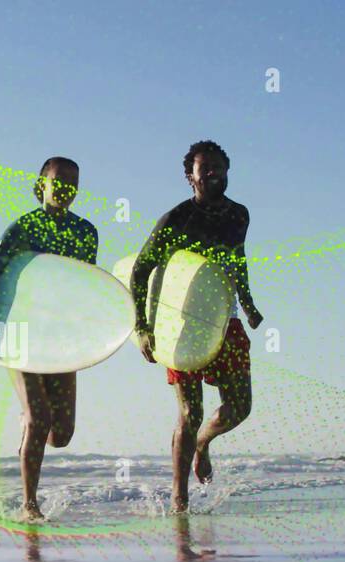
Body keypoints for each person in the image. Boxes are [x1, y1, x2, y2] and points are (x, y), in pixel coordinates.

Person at [129, 140, 264, 511]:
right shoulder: (176, 219)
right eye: (204, 168)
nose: (213, 173)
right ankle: (179, 496)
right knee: (190, 413)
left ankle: (203, 444)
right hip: (182, 322)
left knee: (240, 406)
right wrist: (142, 326)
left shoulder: (239, 215)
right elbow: (141, 271)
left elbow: (237, 260)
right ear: (190, 176)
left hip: (226, 317)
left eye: (219, 166)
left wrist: (249, 304)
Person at [0, 157, 98, 522]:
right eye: (58, 180)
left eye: (73, 182)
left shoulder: (86, 232)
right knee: (41, 418)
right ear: (41, 184)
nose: (65, 188)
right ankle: (30, 504)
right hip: (20, 332)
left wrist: (89, 335)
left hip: (60, 339)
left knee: (61, 434)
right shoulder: (24, 228)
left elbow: (86, 287)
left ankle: (30, 422)